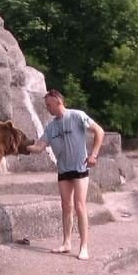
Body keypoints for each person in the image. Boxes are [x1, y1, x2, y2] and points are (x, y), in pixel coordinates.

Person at [30, 87, 105, 260]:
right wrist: (21, 147)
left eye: (49, 105)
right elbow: (40, 146)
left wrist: (93, 155)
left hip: (79, 168)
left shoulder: (77, 116)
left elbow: (99, 131)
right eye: (46, 106)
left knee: (80, 206)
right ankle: (66, 242)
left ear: (58, 102)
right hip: (63, 169)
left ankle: (84, 246)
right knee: (66, 206)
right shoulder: (51, 127)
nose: (47, 108)